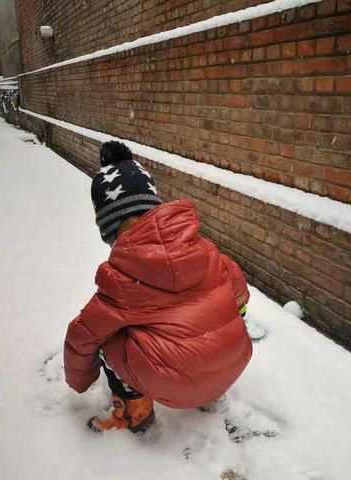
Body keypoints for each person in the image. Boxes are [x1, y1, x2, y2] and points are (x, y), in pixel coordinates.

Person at [64, 141, 252, 433]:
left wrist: (79, 380)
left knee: (104, 337)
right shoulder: (207, 250)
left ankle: (134, 414)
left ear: (108, 227)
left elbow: (81, 336)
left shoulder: (119, 278)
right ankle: (213, 396)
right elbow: (239, 294)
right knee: (215, 314)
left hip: (176, 387)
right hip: (232, 366)